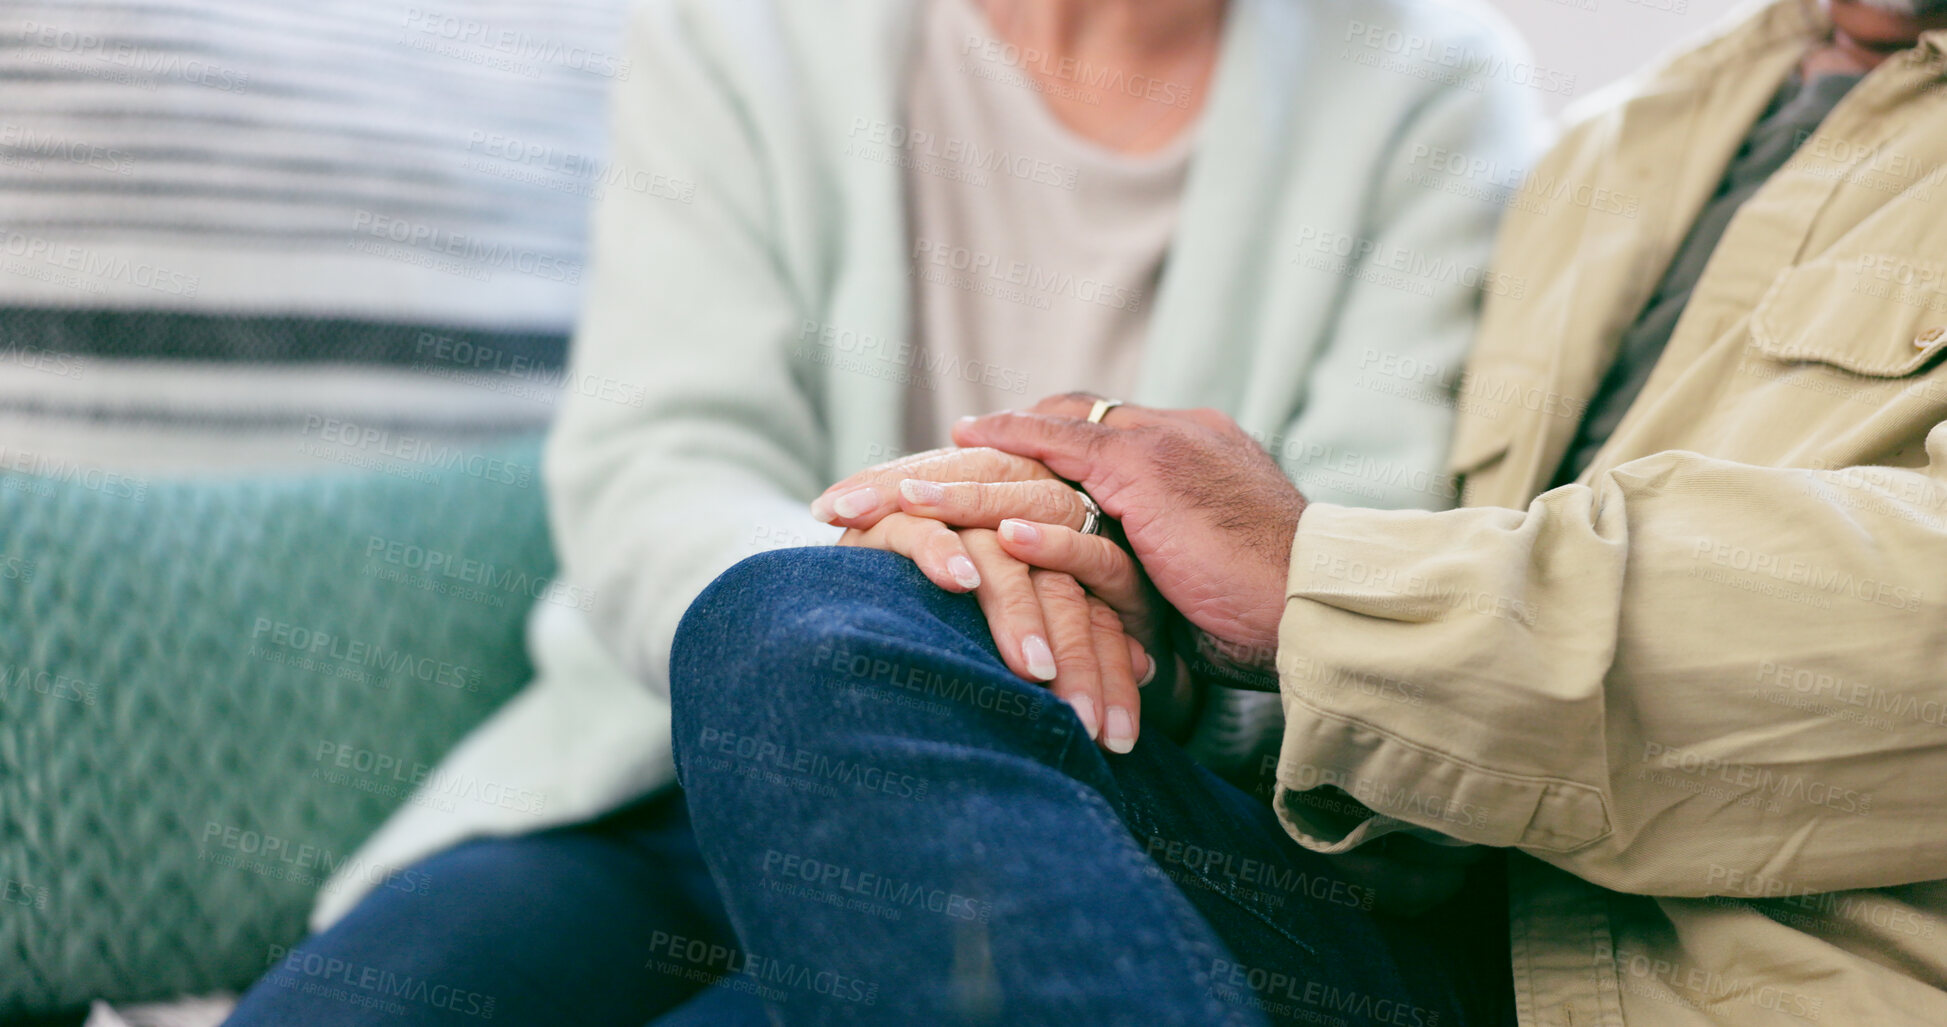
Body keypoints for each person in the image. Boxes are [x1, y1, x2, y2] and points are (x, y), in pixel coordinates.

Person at [224, 0, 1535, 1022]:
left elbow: (1357, 572)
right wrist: (893, 582)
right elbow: (652, 465)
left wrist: (1128, 639)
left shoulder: (1428, 83)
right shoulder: (749, 33)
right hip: (671, 770)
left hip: (1134, 803)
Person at [670, 0, 1947, 1023]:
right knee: (823, 619)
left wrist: (1305, 578)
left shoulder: (1434, 82)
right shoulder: (1635, 137)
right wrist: (1165, 658)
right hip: (1417, 899)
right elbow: (1446, 644)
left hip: (1718, 982)